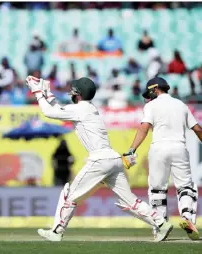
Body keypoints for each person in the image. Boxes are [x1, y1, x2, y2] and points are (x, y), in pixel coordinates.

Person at [25, 76, 173, 242]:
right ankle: (161, 223)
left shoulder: (80, 109)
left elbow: (49, 112)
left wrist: (37, 92)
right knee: (130, 201)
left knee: (68, 195)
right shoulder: (87, 108)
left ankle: (56, 231)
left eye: (74, 91)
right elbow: (59, 110)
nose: (71, 94)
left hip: (99, 160)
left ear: (78, 94)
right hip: (114, 159)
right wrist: (48, 93)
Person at [123, 76, 202, 241]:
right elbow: (197, 129)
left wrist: (131, 150)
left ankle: (160, 226)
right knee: (185, 186)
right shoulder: (180, 105)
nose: (147, 98)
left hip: (158, 149)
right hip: (179, 148)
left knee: (157, 189)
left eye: (149, 93)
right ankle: (187, 217)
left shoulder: (151, 106)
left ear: (155, 89)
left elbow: (144, 129)